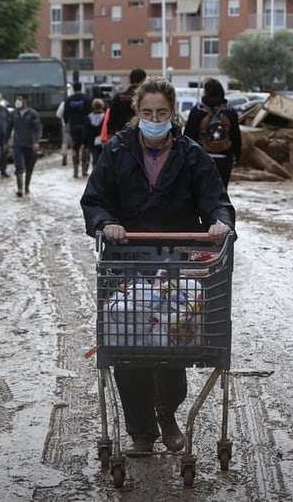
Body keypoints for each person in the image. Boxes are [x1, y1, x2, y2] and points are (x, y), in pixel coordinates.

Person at [80, 76, 234, 456]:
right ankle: (141, 432)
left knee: (171, 344)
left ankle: (167, 412)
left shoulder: (191, 155)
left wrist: (219, 222)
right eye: (147, 112)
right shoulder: (116, 152)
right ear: (136, 112)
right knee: (129, 345)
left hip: (176, 264)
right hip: (127, 261)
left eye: (161, 112)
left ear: (172, 113)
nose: (154, 118)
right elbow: (95, 199)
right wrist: (105, 223)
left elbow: (216, 199)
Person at [184, 78, 242, 190]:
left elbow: (188, 136)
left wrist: (187, 158)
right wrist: (237, 155)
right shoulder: (229, 111)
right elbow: (236, 136)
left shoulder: (197, 110)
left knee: (201, 191)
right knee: (221, 191)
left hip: (201, 158)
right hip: (225, 158)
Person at [10, 94, 43, 197]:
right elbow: (8, 128)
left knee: (29, 167)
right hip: (18, 144)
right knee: (19, 166)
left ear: (25, 102)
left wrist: (36, 141)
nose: (18, 102)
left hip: (30, 145)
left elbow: (38, 129)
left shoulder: (33, 114)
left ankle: (26, 187)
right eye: (17, 100)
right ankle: (20, 189)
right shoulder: (13, 114)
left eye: (20, 100)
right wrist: (6, 141)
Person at [106, 68, 147, 137]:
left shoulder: (118, 97)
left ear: (130, 80)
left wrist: (110, 135)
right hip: (142, 135)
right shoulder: (145, 97)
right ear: (143, 80)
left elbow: (111, 119)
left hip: (122, 135)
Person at [64, 82, 92, 178]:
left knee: (75, 148)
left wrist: (67, 123)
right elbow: (90, 112)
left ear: (73, 89)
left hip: (73, 127)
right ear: (81, 88)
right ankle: (84, 171)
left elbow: (65, 115)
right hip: (85, 127)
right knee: (85, 147)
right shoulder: (87, 98)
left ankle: (75, 172)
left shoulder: (69, 100)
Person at [83, 98, 107, 174]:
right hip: (103, 139)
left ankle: (95, 172)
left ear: (93, 106)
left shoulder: (88, 117)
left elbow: (85, 131)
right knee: (103, 157)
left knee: (95, 157)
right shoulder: (105, 116)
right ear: (102, 106)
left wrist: (85, 143)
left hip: (91, 141)